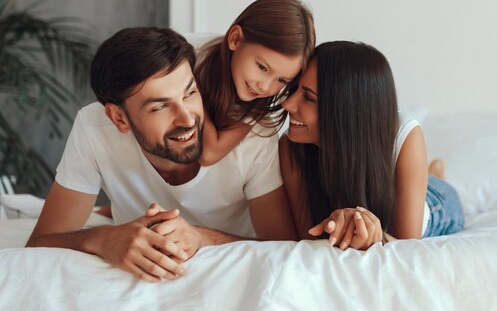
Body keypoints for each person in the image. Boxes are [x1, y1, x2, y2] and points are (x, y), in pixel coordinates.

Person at [26, 27, 297, 282]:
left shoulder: (254, 138)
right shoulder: (93, 127)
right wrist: (104, 239)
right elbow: (41, 242)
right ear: (119, 118)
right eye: (160, 107)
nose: (186, 119)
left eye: (190, 93)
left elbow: (284, 249)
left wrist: (201, 238)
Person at [279, 41, 464, 250]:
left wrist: (373, 235)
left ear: (346, 108)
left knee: (433, 187)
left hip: (435, 201)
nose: (287, 104)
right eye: (295, 90)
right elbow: (309, 237)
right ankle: (429, 172)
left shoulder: (404, 133)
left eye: (308, 97)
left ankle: (435, 173)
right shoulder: (290, 147)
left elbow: (408, 246)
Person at [195, 0, 316, 166]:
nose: (265, 87)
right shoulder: (191, 52)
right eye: (262, 67)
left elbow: (209, 154)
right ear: (235, 39)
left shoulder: (255, 107)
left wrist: (191, 90)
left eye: (281, 80)